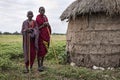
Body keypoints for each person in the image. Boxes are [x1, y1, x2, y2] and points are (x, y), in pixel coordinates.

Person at [36, 7, 51, 72]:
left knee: (44, 50)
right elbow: (37, 28)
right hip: (40, 37)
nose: (43, 11)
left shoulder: (45, 17)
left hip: (46, 36)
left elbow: (48, 26)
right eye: (41, 10)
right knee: (40, 51)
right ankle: (39, 66)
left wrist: (48, 24)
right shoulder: (38, 17)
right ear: (39, 11)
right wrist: (43, 25)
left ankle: (42, 64)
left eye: (43, 10)